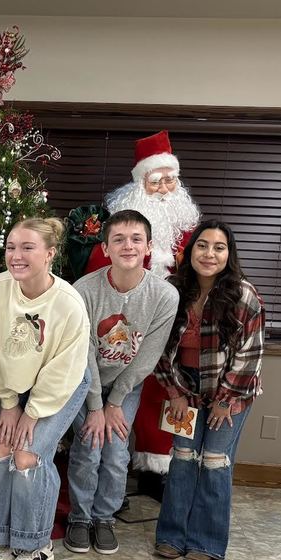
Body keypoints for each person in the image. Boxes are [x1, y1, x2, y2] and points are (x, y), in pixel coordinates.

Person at [83, 131, 202, 501]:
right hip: (122, 338)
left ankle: (157, 468)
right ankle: (105, 492)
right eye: (156, 180)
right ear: (140, 183)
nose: (165, 188)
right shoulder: (122, 236)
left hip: (178, 333)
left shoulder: (191, 234)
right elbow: (97, 281)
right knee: (128, 401)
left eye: (171, 179)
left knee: (168, 396)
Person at [0, 218, 90, 560]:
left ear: (50, 254)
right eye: (11, 247)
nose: (16, 255)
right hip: (13, 382)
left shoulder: (68, 304)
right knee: (0, 447)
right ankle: (9, 541)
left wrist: (33, 412)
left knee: (27, 454)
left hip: (62, 384)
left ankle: (37, 545)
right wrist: (10, 405)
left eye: (28, 247)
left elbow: (64, 370)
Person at [66, 211, 179, 556]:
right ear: (105, 247)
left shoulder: (164, 296)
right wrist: (97, 406)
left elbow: (147, 357)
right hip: (86, 384)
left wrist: (114, 403)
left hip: (124, 388)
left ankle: (105, 517)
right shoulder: (83, 290)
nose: (127, 245)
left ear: (147, 246)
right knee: (88, 448)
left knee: (115, 453)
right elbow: (83, 351)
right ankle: (80, 517)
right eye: (118, 239)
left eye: (135, 239)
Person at [153, 221, 264, 560]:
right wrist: (174, 391)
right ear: (190, 251)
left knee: (215, 463)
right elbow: (156, 346)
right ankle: (172, 535)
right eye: (202, 245)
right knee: (183, 460)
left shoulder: (244, 295)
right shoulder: (173, 290)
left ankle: (207, 540)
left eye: (219, 247)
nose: (209, 254)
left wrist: (225, 401)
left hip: (230, 393)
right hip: (184, 389)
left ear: (229, 255)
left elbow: (250, 353)